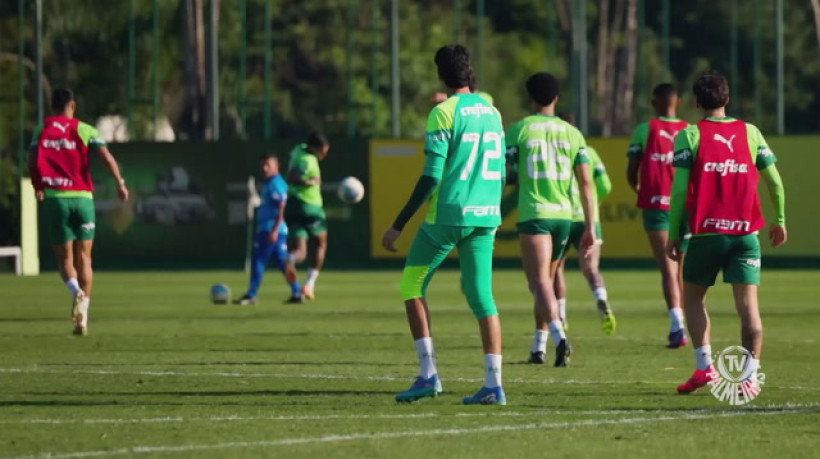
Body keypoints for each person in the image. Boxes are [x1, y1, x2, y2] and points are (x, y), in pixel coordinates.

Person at [382, 44, 507, 405]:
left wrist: (398, 224)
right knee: (482, 298)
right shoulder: (493, 113)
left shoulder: (443, 113)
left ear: (441, 75)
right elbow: (501, 172)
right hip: (486, 216)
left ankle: (427, 375)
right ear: (469, 71)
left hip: (448, 216)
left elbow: (432, 177)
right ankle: (493, 385)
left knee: (411, 284)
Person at [666, 70, 786, 394]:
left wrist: (675, 231)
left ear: (695, 102)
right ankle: (749, 378)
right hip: (746, 235)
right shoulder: (750, 132)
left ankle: (705, 367)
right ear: (727, 99)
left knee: (692, 296)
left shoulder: (689, 136)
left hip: (706, 233)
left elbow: (678, 192)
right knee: (748, 308)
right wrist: (780, 219)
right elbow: (774, 182)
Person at [505, 73, 596, 367]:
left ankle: (559, 337)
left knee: (539, 282)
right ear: (556, 98)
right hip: (565, 218)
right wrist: (591, 226)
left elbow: (502, 175)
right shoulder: (573, 133)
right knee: (545, 283)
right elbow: (586, 184)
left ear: (530, 98)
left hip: (535, 214)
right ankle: (538, 347)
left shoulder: (519, 130)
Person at [28, 88, 129, 336]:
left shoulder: (42, 130)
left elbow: (32, 159)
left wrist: (37, 185)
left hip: (56, 200)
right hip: (83, 199)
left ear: (53, 107)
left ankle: (76, 292)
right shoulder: (85, 129)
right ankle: (83, 316)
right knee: (85, 258)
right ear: (72, 106)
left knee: (65, 261)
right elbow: (105, 156)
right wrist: (119, 182)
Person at [626, 83, 691, 348]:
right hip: (684, 206)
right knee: (680, 270)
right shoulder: (689, 130)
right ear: (679, 101)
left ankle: (677, 327)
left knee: (668, 267)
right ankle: (684, 323)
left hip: (656, 206)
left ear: (654, 102)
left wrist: (639, 189)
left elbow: (631, 171)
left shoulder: (645, 129)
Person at [553, 112, 616, 335]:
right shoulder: (589, 152)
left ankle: (560, 315)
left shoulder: (555, 151)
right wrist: (592, 204)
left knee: (556, 268)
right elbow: (605, 185)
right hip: (588, 218)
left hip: (562, 216)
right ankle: (601, 298)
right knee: (591, 269)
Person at [234, 155, 302, 305]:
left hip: (270, 230)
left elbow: (282, 206)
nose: (264, 168)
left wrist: (275, 230)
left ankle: (251, 294)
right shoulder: (270, 183)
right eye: (263, 165)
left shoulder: (276, 183)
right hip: (274, 229)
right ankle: (297, 292)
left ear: (276, 166)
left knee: (258, 260)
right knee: (284, 264)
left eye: (268, 165)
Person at [284, 132, 330, 301]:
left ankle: (291, 258)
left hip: (292, 206)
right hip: (310, 206)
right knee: (320, 243)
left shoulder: (299, 150)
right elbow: (292, 177)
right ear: (314, 147)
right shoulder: (307, 160)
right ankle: (309, 285)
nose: (325, 153)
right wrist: (310, 182)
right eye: (324, 150)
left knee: (300, 250)